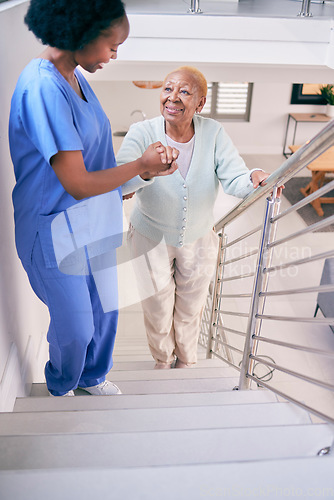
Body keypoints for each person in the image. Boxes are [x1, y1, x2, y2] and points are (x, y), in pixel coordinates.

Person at [8, 0, 178, 396]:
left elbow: (96, 160)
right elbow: (77, 182)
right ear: (79, 34)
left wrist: (146, 171)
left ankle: (92, 377)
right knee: (76, 326)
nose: (114, 55)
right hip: (52, 227)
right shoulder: (43, 88)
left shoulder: (75, 77)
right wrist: (138, 164)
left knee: (105, 314)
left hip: (95, 219)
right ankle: (62, 382)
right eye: (111, 45)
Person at [117, 66, 270, 369]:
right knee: (158, 308)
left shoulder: (212, 132)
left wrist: (254, 177)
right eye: (167, 89)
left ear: (199, 104)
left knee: (191, 308)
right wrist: (145, 169)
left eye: (184, 91)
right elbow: (122, 183)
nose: (172, 98)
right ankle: (162, 360)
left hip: (199, 237)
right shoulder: (142, 132)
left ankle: (186, 361)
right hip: (150, 237)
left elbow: (234, 178)